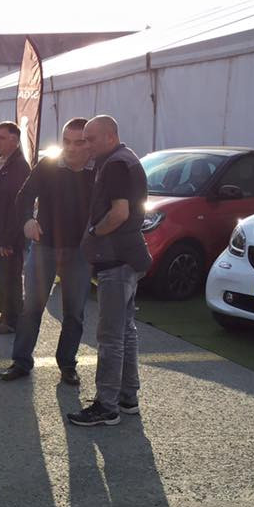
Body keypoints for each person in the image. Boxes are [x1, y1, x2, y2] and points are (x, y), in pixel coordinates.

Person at [68, 115, 152, 427]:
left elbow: (119, 213)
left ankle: (107, 406)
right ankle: (127, 398)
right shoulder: (123, 160)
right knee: (125, 331)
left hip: (116, 260)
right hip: (128, 257)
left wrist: (93, 233)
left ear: (110, 137)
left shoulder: (116, 164)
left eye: (90, 139)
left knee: (110, 336)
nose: (85, 145)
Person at [0, 118, 95, 385]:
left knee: (74, 312)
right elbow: (24, 196)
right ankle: (21, 361)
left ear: (90, 144)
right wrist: (28, 219)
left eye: (79, 142)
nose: (72, 148)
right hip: (45, 246)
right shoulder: (49, 165)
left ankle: (67, 364)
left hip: (79, 252)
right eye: (66, 141)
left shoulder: (98, 170)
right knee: (32, 308)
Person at [0, 122, 31, 336]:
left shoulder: (19, 166)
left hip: (8, 235)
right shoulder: (0, 162)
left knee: (11, 277)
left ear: (14, 140)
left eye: (2, 138)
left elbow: (18, 206)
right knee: (2, 276)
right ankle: (5, 314)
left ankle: (13, 320)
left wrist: (8, 239)